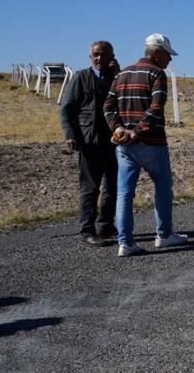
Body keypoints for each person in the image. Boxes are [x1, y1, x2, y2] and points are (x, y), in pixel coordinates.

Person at [103, 33, 188, 257]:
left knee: (124, 193)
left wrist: (119, 130)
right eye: (168, 54)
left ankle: (126, 242)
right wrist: (137, 131)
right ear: (157, 52)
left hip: (124, 146)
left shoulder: (122, 74)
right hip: (152, 143)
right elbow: (156, 108)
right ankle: (164, 235)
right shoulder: (156, 73)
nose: (169, 59)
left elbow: (108, 106)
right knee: (162, 187)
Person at [60, 41, 119, 247]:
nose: (99, 59)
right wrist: (70, 134)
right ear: (90, 57)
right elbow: (66, 109)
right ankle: (87, 230)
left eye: (104, 55)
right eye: (95, 55)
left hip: (114, 142)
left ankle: (106, 225)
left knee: (113, 186)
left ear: (112, 56)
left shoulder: (117, 78)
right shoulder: (81, 78)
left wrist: (118, 75)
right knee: (90, 188)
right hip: (90, 141)